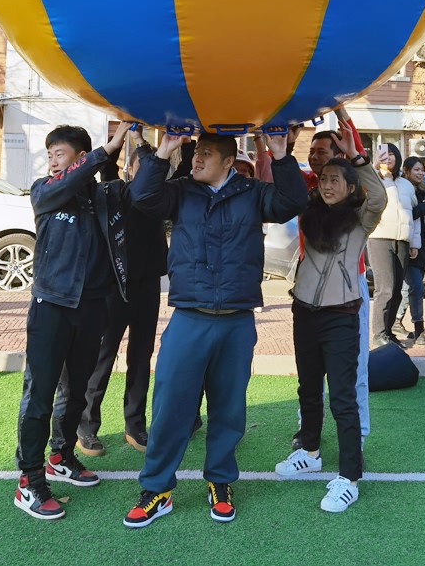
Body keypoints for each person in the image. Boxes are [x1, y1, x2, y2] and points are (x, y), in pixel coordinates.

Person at [122, 128, 307, 528]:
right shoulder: (181, 190)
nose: (197, 159)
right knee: (170, 407)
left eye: (206, 154)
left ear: (228, 160)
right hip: (189, 315)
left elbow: (293, 200)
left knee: (228, 409)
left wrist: (280, 154)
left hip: (237, 320)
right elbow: (142, 197)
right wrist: (164, 151)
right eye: (197, 153)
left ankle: (220, 482)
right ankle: (157, 489)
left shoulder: (252, 193)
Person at [14, 120, 131, 521]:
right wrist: (104, 152)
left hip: (92, 307)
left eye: (59, 155)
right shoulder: (45, 192)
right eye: (49, 156)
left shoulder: (101, 197)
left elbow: (136, 196)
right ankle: (29, 481)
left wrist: (144, 146)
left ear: (79, 158)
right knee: (39, 394)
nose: (52, 163)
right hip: (50, 307)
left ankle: (60, 458)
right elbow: (63, 183)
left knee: (76, 390)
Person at [274, 123, 387, 512]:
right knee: (308, 388)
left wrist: (354, 155)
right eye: (323, 179)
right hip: (303, 313)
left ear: (351, 186)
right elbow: (286, 186)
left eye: (336, 179)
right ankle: (309, 450)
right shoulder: (308, 211)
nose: (327, 184)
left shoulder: (360, 219)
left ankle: (350, 476)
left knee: (342, 396)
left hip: (341, 317)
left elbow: (380, 196)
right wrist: (279, 146)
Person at [53, 126, 168, 459]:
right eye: (140, 169)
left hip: (147, 287)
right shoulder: (115, 192)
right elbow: (107, 167)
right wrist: (127, 134)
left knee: (140, 358)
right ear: (131, 170)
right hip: (114, 286)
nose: (146, 176)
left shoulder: (161, 198)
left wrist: (154, 144)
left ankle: (135, 425)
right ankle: (86, 427)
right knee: (101, 359)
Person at [368, 144, 418, 347]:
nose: (387, 158)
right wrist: (373, 166)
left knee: (397, 289)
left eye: (391, 154)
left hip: (403, 241)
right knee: (385, 288)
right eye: (383, 154)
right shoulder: (373, 179)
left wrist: (414, 242)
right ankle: (378, 334)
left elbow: (411, 216)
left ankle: (388, 332)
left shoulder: (406, 185)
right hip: (379, 238)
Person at [392, 157, 425, 345]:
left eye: (422, 170)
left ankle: (396, 320)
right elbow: (404, 216)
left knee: (410, 288)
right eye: (416, 170)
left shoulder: (424, 190)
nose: (420, 173)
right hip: (408, 245)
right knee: (417, 288)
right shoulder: (401, 189)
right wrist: (424, 207)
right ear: (406, 170)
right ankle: (419, 329)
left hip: (422, 247)